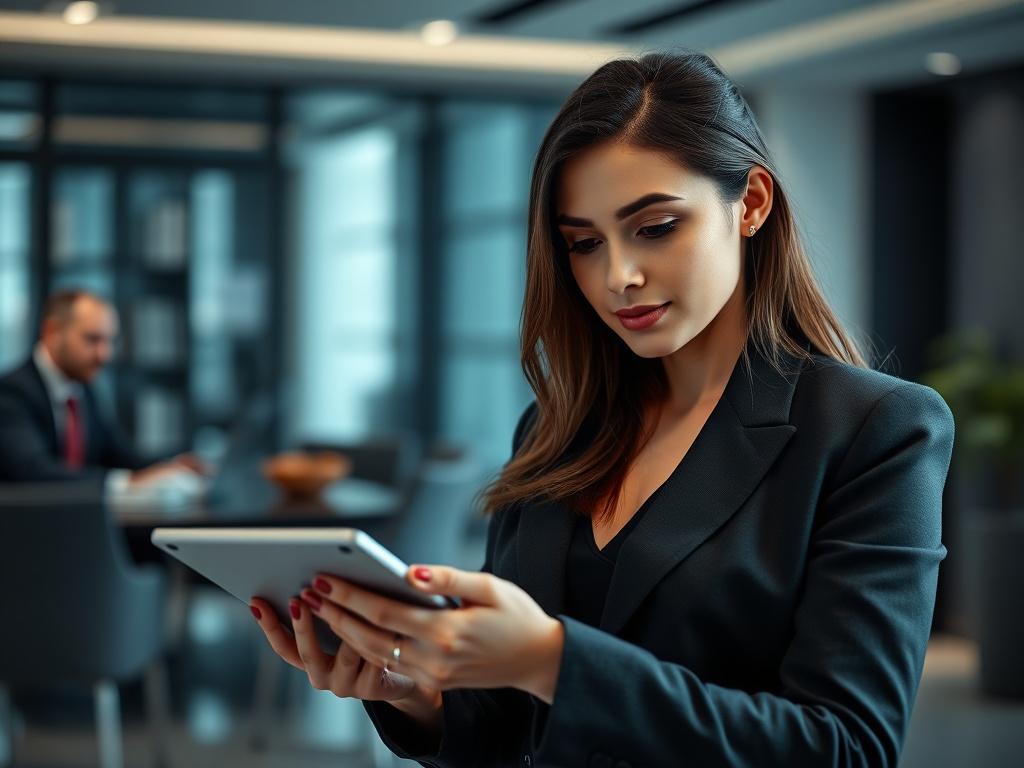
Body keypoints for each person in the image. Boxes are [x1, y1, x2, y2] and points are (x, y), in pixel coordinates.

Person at [250, 51, 954, 767]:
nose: (619, 276)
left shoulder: (875, 430)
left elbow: (847, 749)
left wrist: (553, 662)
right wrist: (415, 694)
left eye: (654, 227)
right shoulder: (555, 431)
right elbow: (505, 731)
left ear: (751, 204)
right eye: (584, 243)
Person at [0, 289, 205, 494]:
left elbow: (119, 454)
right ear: (52, 331)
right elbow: (33, 472)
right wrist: (125, 484)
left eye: (109, 341)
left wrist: (173, 467)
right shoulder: (11, 393)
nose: (104, 355)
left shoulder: (82, 388)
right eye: (92, 339)